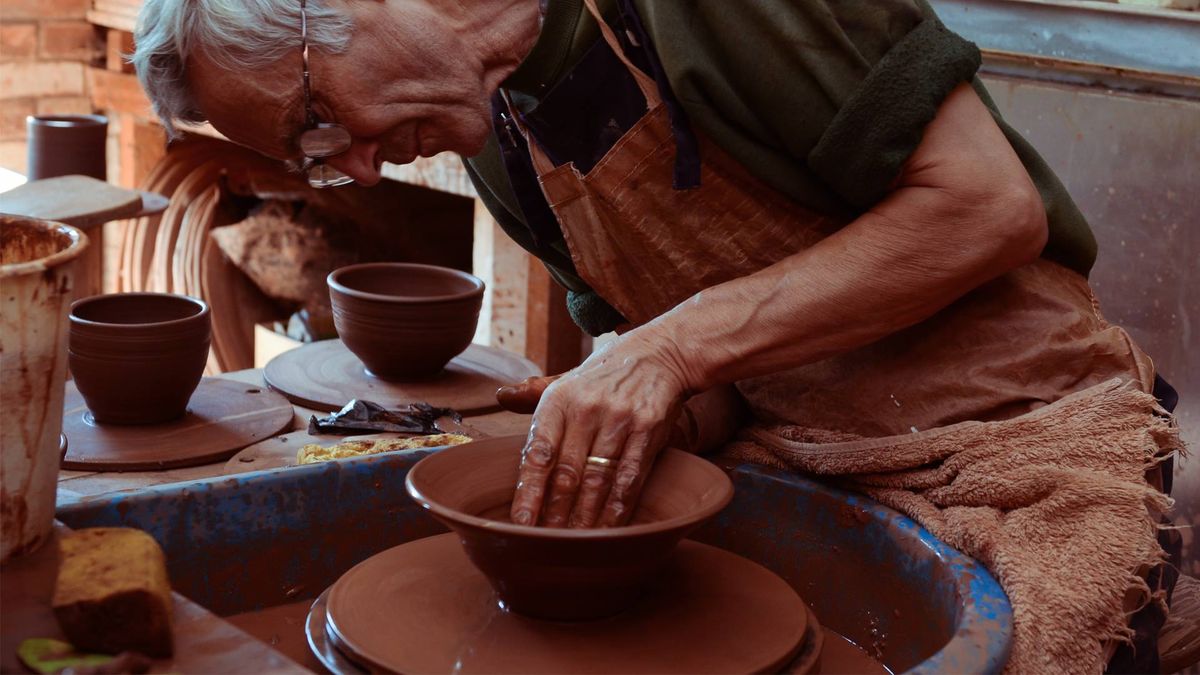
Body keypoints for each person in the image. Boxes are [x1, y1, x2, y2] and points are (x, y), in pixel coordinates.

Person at [133, 0, 1186, 671]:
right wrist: (633, 402)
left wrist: (667, 352)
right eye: (314, 163)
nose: (357, 171)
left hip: (1026, 443)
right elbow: (711, 373)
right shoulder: (497, 144)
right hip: (799, 460)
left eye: (316, 125)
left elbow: (987, 210)